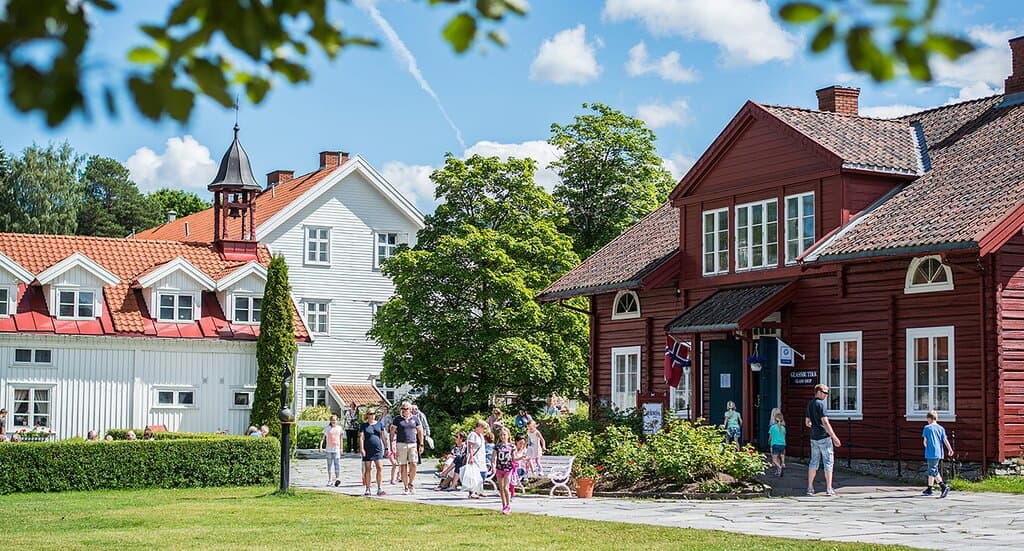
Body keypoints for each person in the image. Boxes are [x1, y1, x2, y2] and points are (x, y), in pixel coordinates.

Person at [805, 383, 841, 496]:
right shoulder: (821, 404)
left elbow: (807, 423)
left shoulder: (810, 404)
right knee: (828, 462)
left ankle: (810, 488)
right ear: (819, 392)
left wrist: (815, 425)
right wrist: (834, 437)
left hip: (813, 437)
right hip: (824, 437)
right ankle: (829, 488)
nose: (826, 395)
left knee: (814, 462)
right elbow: (825, 422)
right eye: (825, 393)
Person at [389, 401, 424, 495]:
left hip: (412, 443)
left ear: (410, 410)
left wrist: (421, 444)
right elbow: (392, 431)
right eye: (403, 409)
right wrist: (391, 444)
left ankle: (411, 483)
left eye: (406, 409)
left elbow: (420, 431)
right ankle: (405, 487)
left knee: (414, 464)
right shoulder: (397, 419)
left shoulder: (415, 419)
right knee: (403, 465)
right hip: (401, 444)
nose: (404, 410)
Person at [922, 410, 954, 498]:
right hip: (939, 452)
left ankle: (943, 486)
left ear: (929, 419)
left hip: (930, 451)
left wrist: (926, 446)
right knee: (931, 469)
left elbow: (925, 441)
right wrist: (950, 449)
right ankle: (929, 488)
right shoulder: (941, 428)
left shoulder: (927, 428)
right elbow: (945, 440)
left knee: (933, 469)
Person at [359, 410, 387, 497]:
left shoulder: (379, 424)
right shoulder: (364, 426)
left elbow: (383, 436)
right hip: (368, 449)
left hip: (378, 449)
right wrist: (362, 448)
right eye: (370, 414)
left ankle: (380, 488)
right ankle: (367, 488)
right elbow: (361, 437)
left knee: (379, 467)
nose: (372, 415)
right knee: (368, 468)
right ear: (367, 415)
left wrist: (386, 447)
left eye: (374, 414)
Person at [492, 427, 515, 514]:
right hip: (499, 469)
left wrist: (522, 457)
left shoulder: (511, 446)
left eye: (504, 434)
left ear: (508, 436)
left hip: (508, 469)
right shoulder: (497, 446)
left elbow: (514, 458)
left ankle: (508, 506)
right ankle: (504, 505)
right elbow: (493, 458)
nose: (502, 436)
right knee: (501, 488)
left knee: (506, 487)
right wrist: (493, 466)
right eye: (501, 435)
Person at [463, 420, 488, 498]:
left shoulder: (481, 436)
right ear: (479, 427)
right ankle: (472, 492)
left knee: (483, 474)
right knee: (473, 475)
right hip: (474, 458)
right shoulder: (472, 435)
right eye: (483, 428)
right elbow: (470, 447)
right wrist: (471, 457)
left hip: (481, 458)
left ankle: (479, 490)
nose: (484, 430)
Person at [318, 415, 344, 487]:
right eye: (332, 420)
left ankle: (337, 478)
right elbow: (323, 438)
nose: (334, 421)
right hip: (329, 449)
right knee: (329, 465)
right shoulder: (327, 428)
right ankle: (330, 479)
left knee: (337, 464)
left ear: (337, 420)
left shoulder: (339, 428)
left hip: (336, 449)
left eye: (335, 420)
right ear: (330, 421)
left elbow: (341, 439)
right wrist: (321, 446)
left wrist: (341, 448)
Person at [769, 410, 787, 477]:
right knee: (779, 458)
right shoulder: (783, 428)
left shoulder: (772, 427)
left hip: (775, 444)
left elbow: (770, 437)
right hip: (782, 444)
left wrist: (769, 442)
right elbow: (784, 437)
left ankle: (779, 467)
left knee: (774, 460)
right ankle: (778, 472)